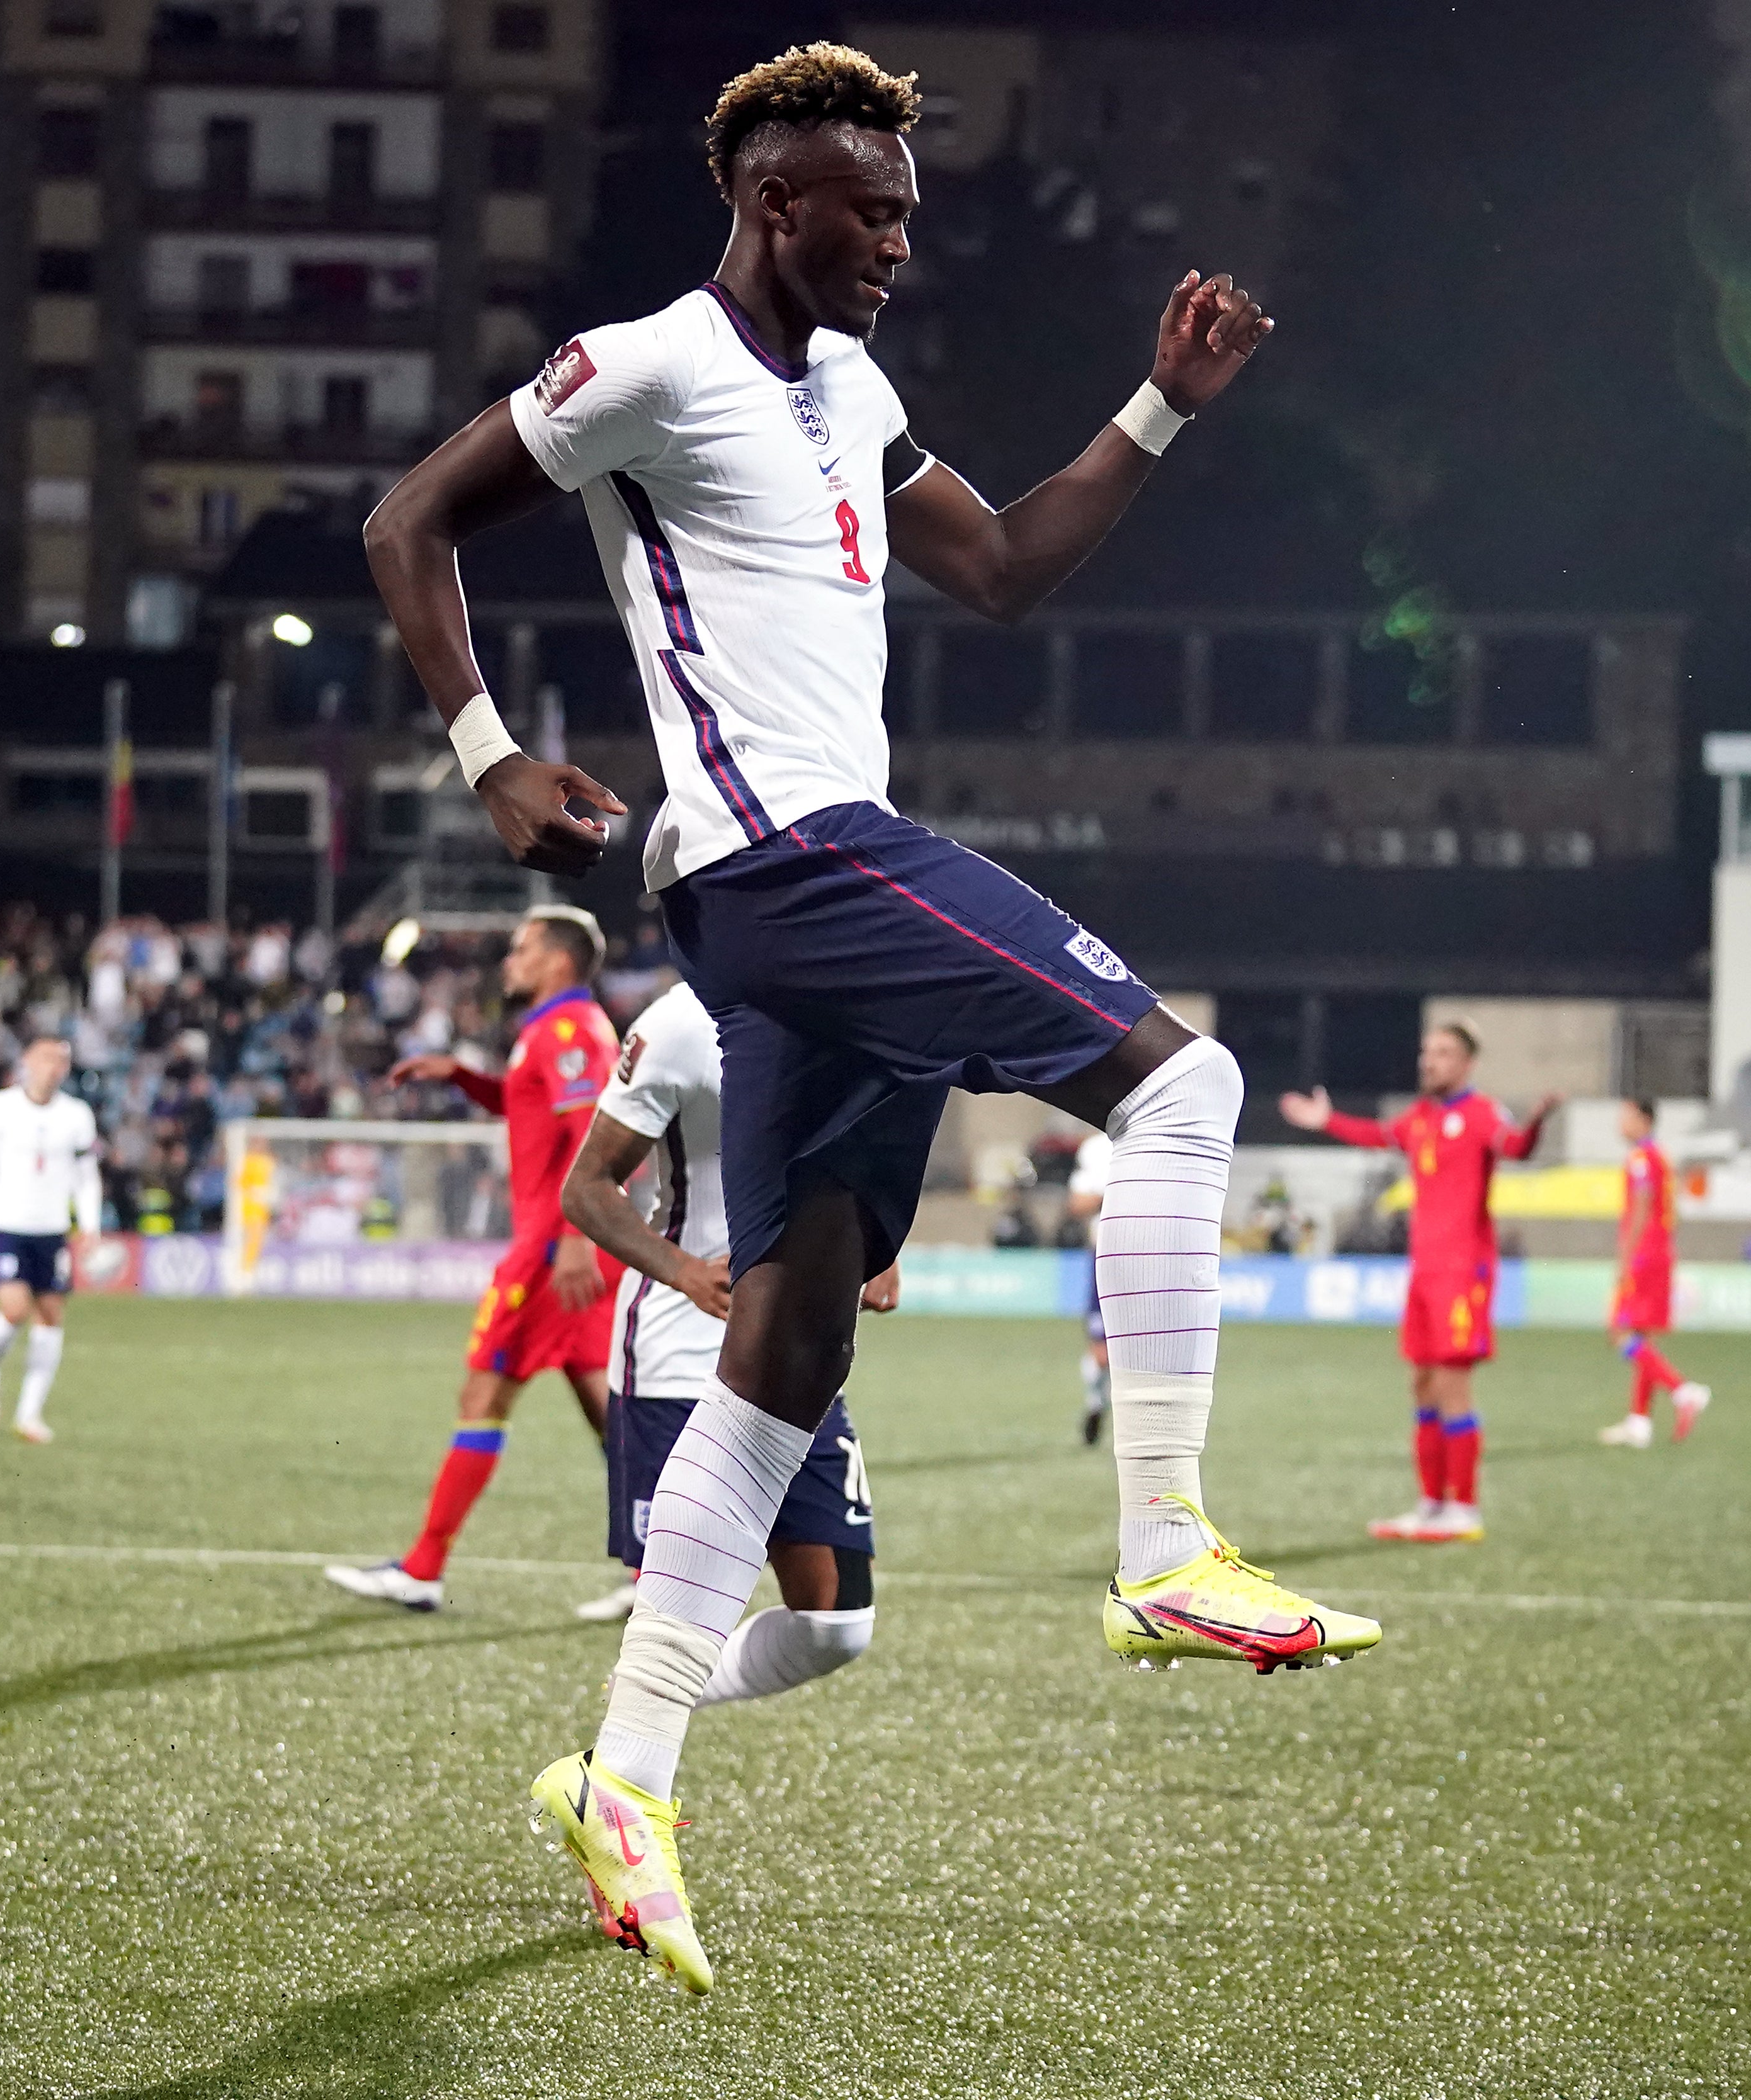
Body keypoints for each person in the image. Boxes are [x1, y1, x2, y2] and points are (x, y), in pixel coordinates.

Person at [358, 41, 1376, 1993]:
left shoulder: (856, 385)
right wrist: (492, 756)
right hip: (788, 863)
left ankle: (627, 1774)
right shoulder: (646, 363)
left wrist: (1164, 404)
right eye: (872, 209)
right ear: (772, 202)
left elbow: (998, 567)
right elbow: (412, 521)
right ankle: (1164, 1545)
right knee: (1190, 1083)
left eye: (909, 208)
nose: (901, 240)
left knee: (792, 1332)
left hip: (803, 887)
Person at [558, 982, 894, 1746]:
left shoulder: (854, 1002)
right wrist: (682, 1270)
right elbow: (586, 1189)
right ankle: (623, 1798)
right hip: (678, 1356)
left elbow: (866, 1144)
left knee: (836, 1623)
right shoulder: (680, 1023)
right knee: (675, 1620)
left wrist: (882, 1244)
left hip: (800, 1354)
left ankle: (646, 1700)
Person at [326, 906, 621, 1612]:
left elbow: (595, 1130)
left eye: (521, 950)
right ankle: (662, 1572)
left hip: (555, 1247)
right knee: (608, 1412)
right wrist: (465, 1078)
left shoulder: (566, 1031)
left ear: (558, 962)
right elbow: (541, 1111)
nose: (509, 963)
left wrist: (576, 1236)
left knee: (484, 1397)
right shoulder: (557, 1032)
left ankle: (423, 1568)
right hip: (568, 1242)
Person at [1280, 1021, 1560, 1543]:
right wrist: (1327, 1120)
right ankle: (1430, 1505)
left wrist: (1539, 1120)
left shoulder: (1481, 1114)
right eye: (1426, 1051)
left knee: (1453, 1384)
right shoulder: (1422, 1117)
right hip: (1425, 1272)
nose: (1429, 1061)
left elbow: (1517, 1147)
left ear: (1466, 1064)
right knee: (1422, 1385)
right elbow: (1379, 1136)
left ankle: (1465, 1509)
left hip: (1462, 1272)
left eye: (1443, 1053)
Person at [0, 1032, 104, 1445]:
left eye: (60, 1060)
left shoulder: (76, 1116)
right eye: (46, 1058)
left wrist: (89, 1225)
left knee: (51, 1314)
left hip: (52, 1228)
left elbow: (86, 1177)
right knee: (14, 1308)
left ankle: (29, 1414)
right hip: (9, 1225)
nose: (53, 1066)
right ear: (26, 1062)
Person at [1595, 1098, 1709, 1449]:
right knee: (1643, 1338)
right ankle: (1639, 1423)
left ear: (1644, 1120)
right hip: (1661, 1252)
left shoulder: (1642, 1159)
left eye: (1626, 1117)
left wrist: (1625, 1259)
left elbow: (1642, 1206)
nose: (1620, 1124)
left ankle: (1683, 1391)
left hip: (1644, 1255)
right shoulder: (1661, 1156)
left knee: (1619, 1332)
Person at [1066, 1129, 1113, 1444]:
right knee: (1102, 1352)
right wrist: (1122, 1193)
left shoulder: (1161, 1134)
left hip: (1154, 1255)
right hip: (1106, 1255)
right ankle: (1097, 1404)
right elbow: (1078, 1204)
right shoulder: (1097, 1148)